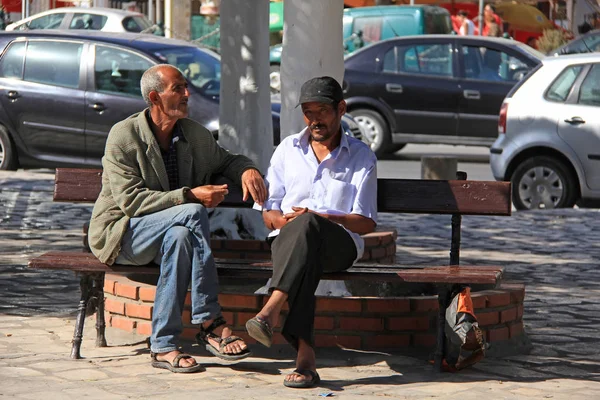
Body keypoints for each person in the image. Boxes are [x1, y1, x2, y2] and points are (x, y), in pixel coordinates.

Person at [88, 64, 267, 373]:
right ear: (155, 98)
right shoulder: (124, 136)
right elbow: (131, 202)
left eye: (186, 87)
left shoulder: (194, 135)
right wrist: (190, 195)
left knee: (182, 237)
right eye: (179, 89)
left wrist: (247, 169)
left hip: (169, 236)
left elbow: (228, 161)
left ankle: (163, 345)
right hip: (123, 234)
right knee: (194, 212)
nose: (187, 94)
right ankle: (210, 320)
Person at [245, 76, 378, 388]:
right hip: (289, 240)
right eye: (308, 112)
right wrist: (288, 224)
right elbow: (269, 212)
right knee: (303, 243)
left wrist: (321, 217)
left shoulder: (361, 157)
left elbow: (367, 222)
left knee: (310, 227)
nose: (314, 119)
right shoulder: (286, 150)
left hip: (339, 245)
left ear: (341, 109)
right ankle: (305, 360)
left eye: (322, 111)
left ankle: (271, 308)